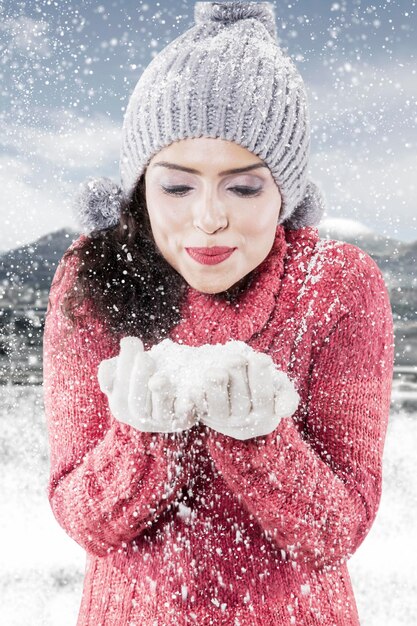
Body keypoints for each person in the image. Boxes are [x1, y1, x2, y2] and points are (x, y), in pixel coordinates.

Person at [43, 2, 394, 625]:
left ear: (285, 191)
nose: (208, 217)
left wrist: (261, 437)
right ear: (139, 187)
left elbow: (336, 532)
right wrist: (142, 437)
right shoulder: (95, 277)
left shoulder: (337, 285)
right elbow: (84, 521)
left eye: (243, 186)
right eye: (177, 187)